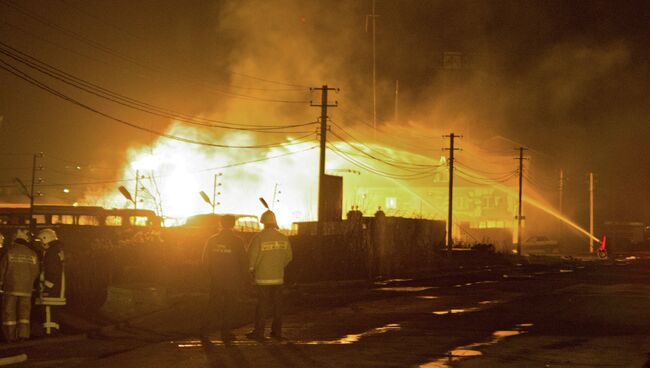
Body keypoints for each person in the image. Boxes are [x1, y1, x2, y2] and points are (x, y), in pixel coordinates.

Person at [246, 210, 292, 341]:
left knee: (262, 305)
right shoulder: (284, 238)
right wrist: (278, 266)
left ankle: (259, 332)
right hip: (278, 278)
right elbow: (289, 257)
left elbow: (252, 258)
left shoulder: (258, 238)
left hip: (262, 278)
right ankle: (276, 332)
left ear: (263, 223)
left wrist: (250, 271)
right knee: (278, 305)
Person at [201, 215, 247, 342]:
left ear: (221, 224)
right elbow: (243, 261)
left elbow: (205, 260)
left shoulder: (212, 240)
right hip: (232, 279)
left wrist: (209, 275)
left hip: (216, 279)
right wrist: (244, 278)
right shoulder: (237, 241)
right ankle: (226, 332)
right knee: (229, 306)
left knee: (213, 305)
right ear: (233, 225)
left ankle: (205, 331)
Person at [0, 229, 39, 342]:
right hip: (26, 290)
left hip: (10, 289)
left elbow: (2, 270)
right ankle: (23, 335)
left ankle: (10, 336)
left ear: (15, 240)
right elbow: (36, 272)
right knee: (24, 315)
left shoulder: (9, 252)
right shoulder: (32, 254)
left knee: (9, 313)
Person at [35, 228, 66, 336]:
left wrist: (47, 288)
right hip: (58, 288)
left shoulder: (51, 253)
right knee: (54, 313)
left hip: (52, 290)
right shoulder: (57, 251)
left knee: (48, 312)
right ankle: (53, 332)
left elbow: (52, 272)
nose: (39, 244)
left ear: (45, 239)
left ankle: (49, 334)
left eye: (40, 241)